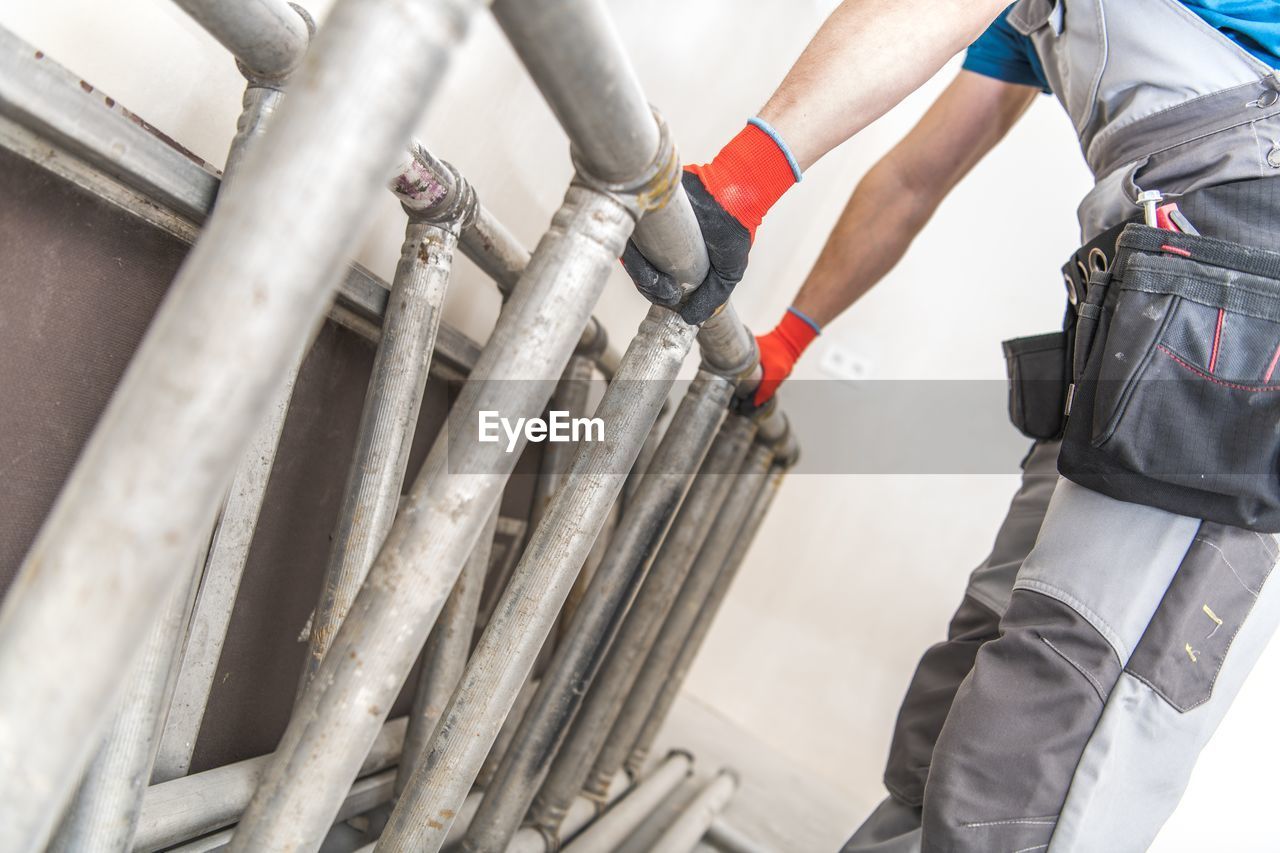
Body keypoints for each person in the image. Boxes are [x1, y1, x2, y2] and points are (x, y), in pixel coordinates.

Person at [621, 1, 1280, 850]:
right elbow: (916, 176)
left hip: (1240, 280)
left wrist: (744, 177)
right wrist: (791, 337)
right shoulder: (1026, 22)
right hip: (1162, 282)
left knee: (1057, 717)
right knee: (975, 676)